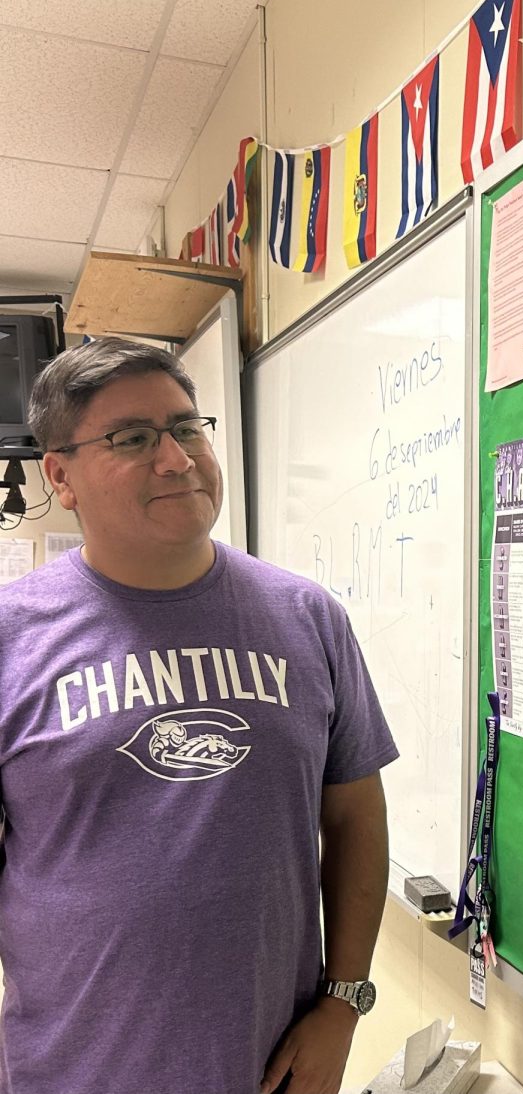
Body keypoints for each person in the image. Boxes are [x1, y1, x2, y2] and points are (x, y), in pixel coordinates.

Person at [3, 339, 397, 1094]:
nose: (178, 459)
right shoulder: (13, 638)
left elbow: (353, 821)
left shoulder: (308, 618)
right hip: (73, 1072)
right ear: (61, 476)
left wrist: (343, 1007)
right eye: (133, 438)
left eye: (187, 428)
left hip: (272, 1069)